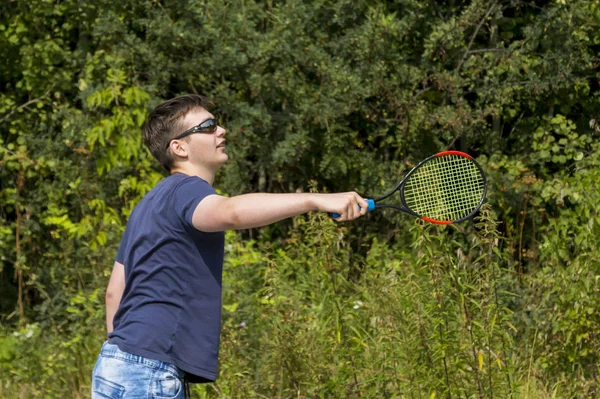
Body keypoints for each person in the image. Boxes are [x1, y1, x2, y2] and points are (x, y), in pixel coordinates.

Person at [91, 94, 368, 398]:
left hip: (114, 364)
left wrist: (127, 356)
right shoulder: (187, 190)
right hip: (149, 370)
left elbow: (114, 292)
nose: (221, 130)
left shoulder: (147, 205)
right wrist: (315, 199)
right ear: (179, 148)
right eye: (208, 126)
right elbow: (232, 213)